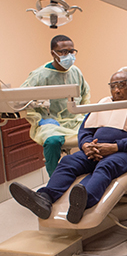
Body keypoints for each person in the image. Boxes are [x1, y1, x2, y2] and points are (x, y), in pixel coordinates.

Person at [10, 67, 127, 224]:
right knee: (68, 162)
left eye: (122, 85)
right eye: (113, 86)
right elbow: (84, 130)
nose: (116, 90)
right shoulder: (102, 104)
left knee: (106, 165)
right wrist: (86, 145)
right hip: (95, 149)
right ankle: (44, 198)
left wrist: (114, 147)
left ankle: (84, 202)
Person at [21, 34, 91, 177]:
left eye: (72, 51)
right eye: (64, 52)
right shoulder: (39, 75)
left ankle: (90, 174)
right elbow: (23, 101)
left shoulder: (76, 72)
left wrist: (85, 114)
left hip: (75, 120)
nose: (69, 55)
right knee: (52, 141)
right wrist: (39, 120)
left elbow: (85, 95)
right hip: (50, 123)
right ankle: (55, 179)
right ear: (53, 53)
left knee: (100, 134)